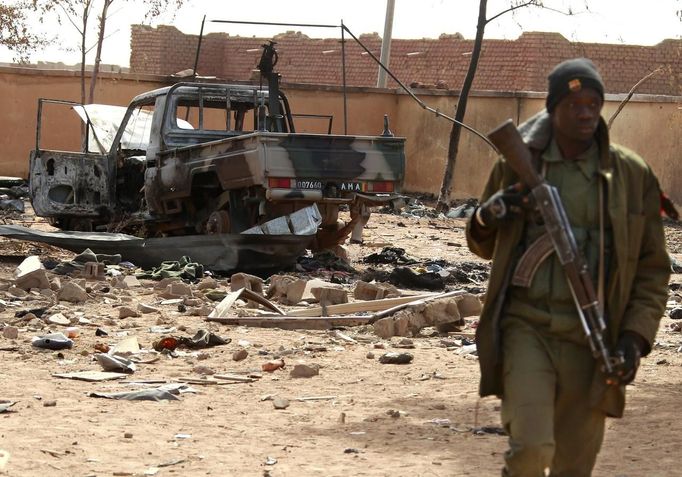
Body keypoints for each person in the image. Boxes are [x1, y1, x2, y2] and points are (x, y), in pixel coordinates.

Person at [466, 58, 671, 476]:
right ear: (552, 108)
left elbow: (653, 269)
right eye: (574, 103)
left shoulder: (630, 175)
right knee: (531, 452)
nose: (585, 112)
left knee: (573, 468)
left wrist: (634, 339)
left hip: (592, 338)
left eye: (593, 103)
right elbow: (480, 243)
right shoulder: (519, 162)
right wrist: (491, 214)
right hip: (528, 327)